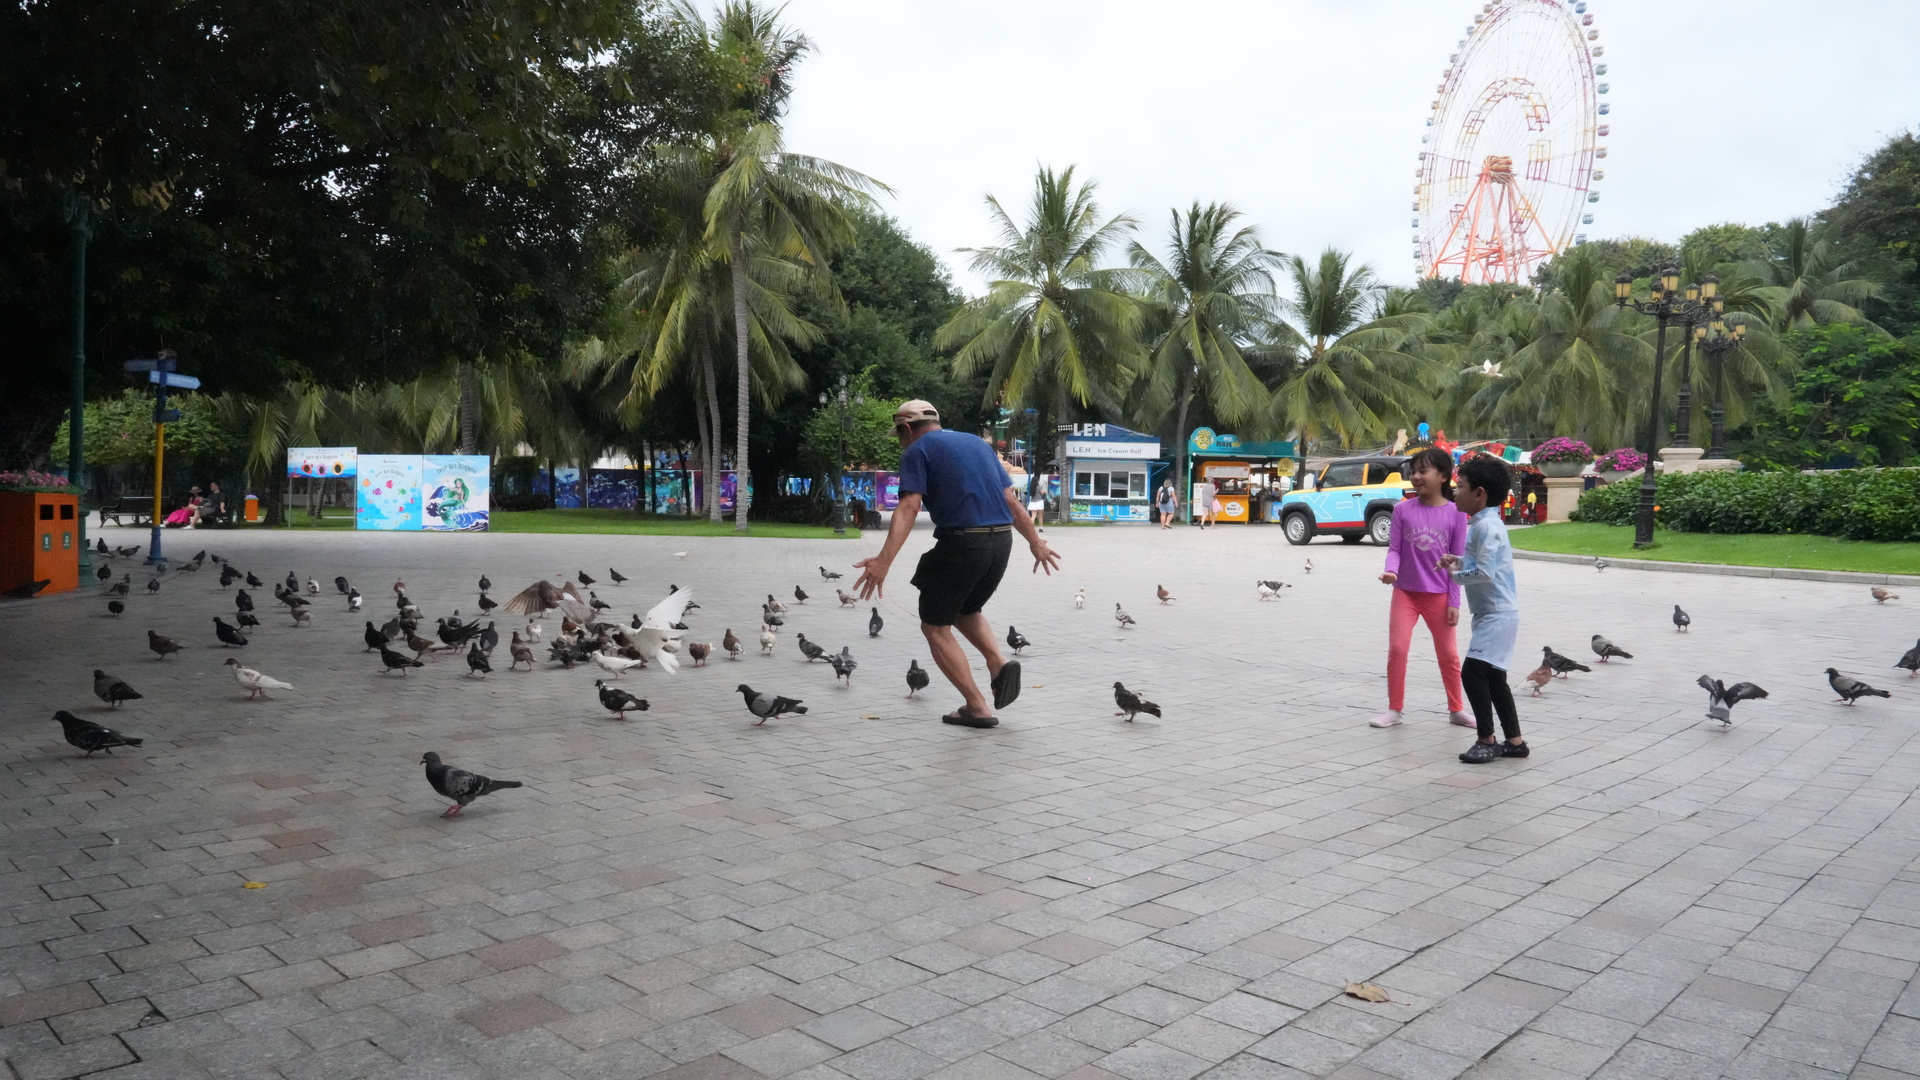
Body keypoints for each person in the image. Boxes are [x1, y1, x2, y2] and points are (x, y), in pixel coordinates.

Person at [854, 400, 1061, 728]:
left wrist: (883, 561)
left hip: (963, 544)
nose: (901, 442)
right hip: (1000, 543)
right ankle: (998, 662)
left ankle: (977, 706)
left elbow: (909, 506)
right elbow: (1010, 500)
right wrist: (1036, 543)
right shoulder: (978, 445)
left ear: (907, 428)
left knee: (935, 627)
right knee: (965, 609)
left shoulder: (917, 450)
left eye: (900, 435)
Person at [1370, 447, 1470, 729]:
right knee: (1397, 649)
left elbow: (1457, 561)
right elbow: (1394, 549)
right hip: (1405, 593)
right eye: (1413, 471)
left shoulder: (1456, 513)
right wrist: (1391, 571)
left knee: (1448, 655)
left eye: (1423, 471)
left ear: (1443, 476)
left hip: (1439, 595)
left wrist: (1454, 602)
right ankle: (1394, 709)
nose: (1416, 477)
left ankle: (1457, 709)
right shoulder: (1402, 509)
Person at [1440, 454, 1526, 763]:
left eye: (1461, 485)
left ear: (1480, 493)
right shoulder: (1484, 524)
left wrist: (1454, 575)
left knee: (1473, 673)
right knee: (1493, 678)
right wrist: (1459, 561)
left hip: (1496, 614)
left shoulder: (1486, 527)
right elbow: (1482, 564)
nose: (1455, 491)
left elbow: (1485, 573)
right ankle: (1514, 742)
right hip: (1497, 612)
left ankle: (1486, 740)